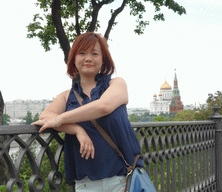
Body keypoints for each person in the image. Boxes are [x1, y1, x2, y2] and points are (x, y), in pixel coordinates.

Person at [32, 32, 144, 191]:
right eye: (82, 53)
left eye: (95, 53)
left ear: (103, 59)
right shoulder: (66, 97)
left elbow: (103, 107)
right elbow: (46, 117)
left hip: (123, 179)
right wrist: (77, 129)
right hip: (86, 184)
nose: (88, 58)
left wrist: (60, 119)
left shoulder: (116, 84)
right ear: (74, 59)